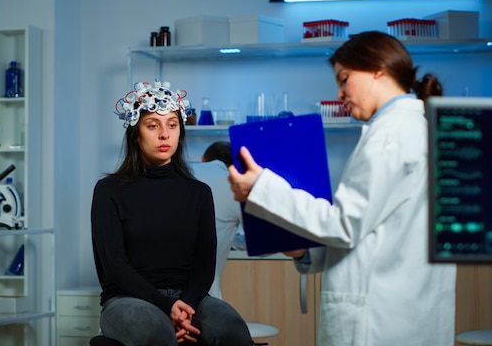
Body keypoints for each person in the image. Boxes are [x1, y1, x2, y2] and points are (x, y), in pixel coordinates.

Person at [227, 31, 456, 346]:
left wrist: (263, 187)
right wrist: (307, 251)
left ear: (378, 69)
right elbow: (376, 231)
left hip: (378, 323)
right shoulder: (417, 129)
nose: (339, 92)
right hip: (405, 314)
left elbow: (345, 224)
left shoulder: (391, 136)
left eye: (344, 79)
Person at [91, 81, 252, 346]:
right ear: (135, 134)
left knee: (231, 330)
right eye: (153, 125)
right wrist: (166, 306)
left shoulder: (199, 193)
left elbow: (204, 267)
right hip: (127, 299)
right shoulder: (109, 191)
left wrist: (184, 306)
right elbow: (115, 267)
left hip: (191, 299)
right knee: (157, 335)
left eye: (172, 125)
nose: (165, 134)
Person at [191, 141, 245, 300]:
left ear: (202, 159)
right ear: (236, 169)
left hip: (155, 294)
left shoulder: (178, 173)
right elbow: (260, 239)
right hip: (204, 297)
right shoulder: (236, 186)